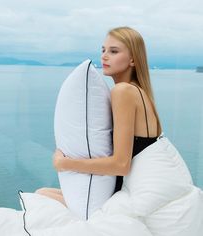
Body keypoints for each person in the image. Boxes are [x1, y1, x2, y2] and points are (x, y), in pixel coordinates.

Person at [35, 26, 162, 205]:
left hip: (121, 194)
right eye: (103, 50)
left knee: (40, 198)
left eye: (114, 51)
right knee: (42, 192)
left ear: (133, 59)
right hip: (131, 188)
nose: (104, 56)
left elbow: (121, 165)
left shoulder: (122, 91)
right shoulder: (139, 92)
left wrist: (65, 164)